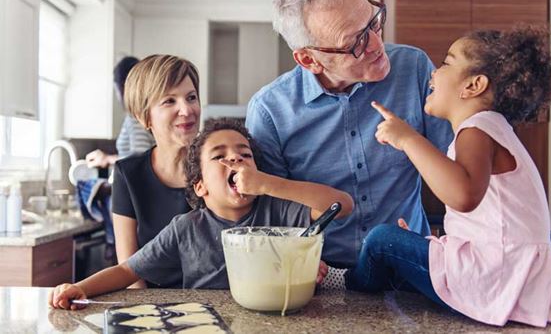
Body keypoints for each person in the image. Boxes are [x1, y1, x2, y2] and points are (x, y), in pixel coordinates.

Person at [346, 25, 551, 327]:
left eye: (446, 62)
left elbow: (463, 196)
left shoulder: (477, 129)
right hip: (512, 273)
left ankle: (345, 283)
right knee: (407, 247)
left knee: (382, 240)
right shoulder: (494, 130)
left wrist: (407, 138)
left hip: (494, 275)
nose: (434, 73)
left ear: (473, 86)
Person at [245, 0, 452, 267]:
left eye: (373, 23)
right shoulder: (270, 112)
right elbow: (274, 211)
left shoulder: (414, 67)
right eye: (355, 43)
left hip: (410, 264)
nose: (376, 44)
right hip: (322, 277)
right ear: (309, 59)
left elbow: (454, 165)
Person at [48, 118, 354, 309]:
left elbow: (342, 205)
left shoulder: (279, 210)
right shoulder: (186, 229)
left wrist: (270, 185)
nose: (234, 156)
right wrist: (81, 287)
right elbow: (128, 271)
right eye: (219, 157)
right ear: (200, 186)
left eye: (244, 154)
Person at [111, 54, 201, 288]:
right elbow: (129, 270)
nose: (186, 110)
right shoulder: (127, 174)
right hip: (151, 308)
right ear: (144, 117)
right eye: (169, 101)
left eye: (191, 97)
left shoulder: (220, 167)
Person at [85, 56, 155, 168]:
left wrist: (107, 159)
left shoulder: (135, 116)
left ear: (121, 87)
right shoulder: (144, 113)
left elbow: (140, 157)